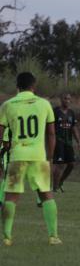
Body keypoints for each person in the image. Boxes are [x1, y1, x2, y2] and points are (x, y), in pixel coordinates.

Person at [0, 72, 61, 246]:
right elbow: (51, 133)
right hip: (38, 155)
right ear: (34, 86)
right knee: (46, 195)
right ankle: (53, 236)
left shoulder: (7, 105)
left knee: (10, 197)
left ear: (17, 86)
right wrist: (50, 157)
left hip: (17, 155)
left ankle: (7, 237)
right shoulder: (44, 104)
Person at [53, 93, 80, 192]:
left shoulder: (71, 113)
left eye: (69, 99)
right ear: (61, 99)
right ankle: (55, 187)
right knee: (59, 164)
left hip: (68, 142)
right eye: (65, 98)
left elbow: (73, 127)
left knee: (71, 164)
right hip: (58, 140)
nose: (67, 101)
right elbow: (49, 126)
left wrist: (78, 141)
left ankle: (60, 181)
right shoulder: (55, 111)